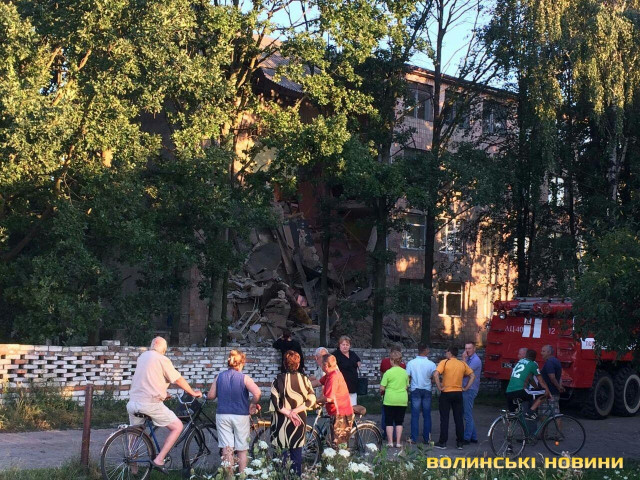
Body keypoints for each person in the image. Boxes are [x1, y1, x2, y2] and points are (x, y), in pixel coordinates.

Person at [127, 337, 201, 473]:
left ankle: (133, 468)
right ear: (163, 349)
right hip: (150, 404)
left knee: (136, 432)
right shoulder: (162, 359)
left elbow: (148, 379)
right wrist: (192, 392)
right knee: (177, 426)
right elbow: (177, 379)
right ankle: (159, 460)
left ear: (152, 345)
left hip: (133, 402)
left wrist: (162, 393)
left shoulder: (142, 357)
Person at [207, 350, 261, 474]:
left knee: (227, 448)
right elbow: (257, 393)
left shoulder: (219, 376)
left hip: (223, 415)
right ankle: (242, 475)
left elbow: (211, 396)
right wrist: (252, 404)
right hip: (241, 415)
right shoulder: (244, 378)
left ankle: (229, 477)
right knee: (242, 448)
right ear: (242, 363)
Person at [269, 350, 316, 476]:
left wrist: (289, 413)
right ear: (298, 364)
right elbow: (312, 399)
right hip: (298, 421)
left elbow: (275, 402)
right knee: (296, 456)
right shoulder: (305, 380)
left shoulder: (277, 379)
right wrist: (295, 411)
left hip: (280, 423)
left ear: (284, 364)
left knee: (281, 457)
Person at [433, 346, 475, 450]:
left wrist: (439, 387)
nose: (445, 353)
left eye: (446, 351)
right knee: (458, 418)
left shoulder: (444, 362)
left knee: (444, 418)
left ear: (450, 353)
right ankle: (460, 442)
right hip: (458, 392)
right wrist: (466, 388)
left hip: (446, 392)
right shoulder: (462, 363)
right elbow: (472, 376)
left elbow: (436, 374)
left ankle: (443, 442)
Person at [317, 354, 354, 446]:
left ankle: (344, 454)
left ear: (325, 365)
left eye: (321, 363)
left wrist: (315, 401)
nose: (320, 365)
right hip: (335, 412)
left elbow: (329, 398)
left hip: (340, 413)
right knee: (334, 441)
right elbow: (318, 382)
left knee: (339, 444)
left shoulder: (334, 377)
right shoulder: (330, 374)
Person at [506, 349, 551, 419]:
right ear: (534, 358)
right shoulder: (533, 364)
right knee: (544, 393)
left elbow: (530, 379)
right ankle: (530, 412)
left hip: (508, 392)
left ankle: (510, 426)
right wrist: (548, 392)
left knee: (512, 416)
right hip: (521, 391)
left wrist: (536, 388)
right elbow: (541, 381)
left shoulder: (519, 362)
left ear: (526, 356)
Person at [405, 344, 436, 445]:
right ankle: (427, 438)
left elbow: (407, 377)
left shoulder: (411, 363)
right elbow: (434, 378)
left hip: (415, 389)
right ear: (426, 350)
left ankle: (414, 438)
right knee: (427, 415)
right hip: (427, 389)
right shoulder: (431, 364)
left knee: (415, 415)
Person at [380, 350, 409, 448]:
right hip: (402, 399)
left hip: (390, 399)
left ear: (391, 360)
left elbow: (382, 387)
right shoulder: (405, 372)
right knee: (399, 422)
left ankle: (390, 442)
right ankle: (398, 442)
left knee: (389, 421)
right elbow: (406, 386)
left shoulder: (388, 372)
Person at [461, 342, 482, 445]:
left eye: (469, 348)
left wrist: (463, 359)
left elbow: (465, 373)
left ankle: (467, 438)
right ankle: (474, 437)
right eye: (466, 348)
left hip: (470, 389)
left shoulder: (475, 360)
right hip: (467, 389)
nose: (467, 350)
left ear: (474, 349)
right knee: (467, 413)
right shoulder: (469, 359)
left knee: (467, 414)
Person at [333, 336, 361, 406]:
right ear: (339, 345)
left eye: (347, 345)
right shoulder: (335, 355)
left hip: (353, 384)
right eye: (343, 344)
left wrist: (358, 364)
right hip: (341, 384)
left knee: (353, 405)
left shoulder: (352, 354)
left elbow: (358, 361)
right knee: (342, 406)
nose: (345, 346)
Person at [539, 345, 564, 419]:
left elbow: (552, 377)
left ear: (549, 352)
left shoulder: (549, 362)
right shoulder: (557, 361)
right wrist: (560, 386)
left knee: (545, 413)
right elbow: (559, 376)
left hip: (549, 392)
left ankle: (546, 427)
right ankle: (555, 428)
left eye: (543, 351)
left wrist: (558, 387)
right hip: (553, 392)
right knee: (555, 413)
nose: (541, 353)